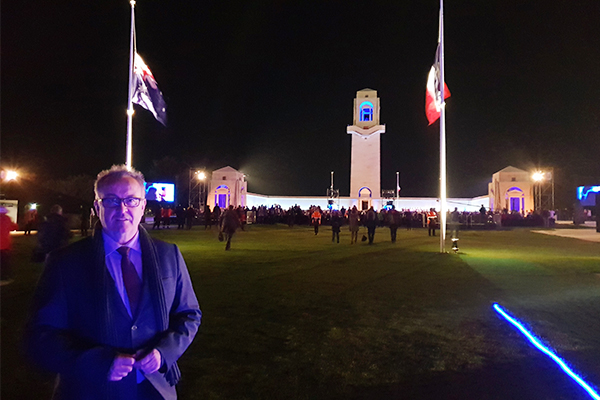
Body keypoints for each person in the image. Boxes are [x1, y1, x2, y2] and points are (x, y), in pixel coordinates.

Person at [24, 165, 201, 399]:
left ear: (143, 206)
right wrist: (96, 363)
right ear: (97, 207)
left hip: (155, 389)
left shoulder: (169, 255)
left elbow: (189, 315)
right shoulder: (66, 263)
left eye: (131, 200)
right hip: (90, 390)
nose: (122, 209)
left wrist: (164, 353)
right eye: (111, 201)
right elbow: (40, 336)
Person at [0, 207, 19, 284]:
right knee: (5, 262)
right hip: (5, 244)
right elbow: (14, 227)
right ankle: (4, 277)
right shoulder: (7, 219)